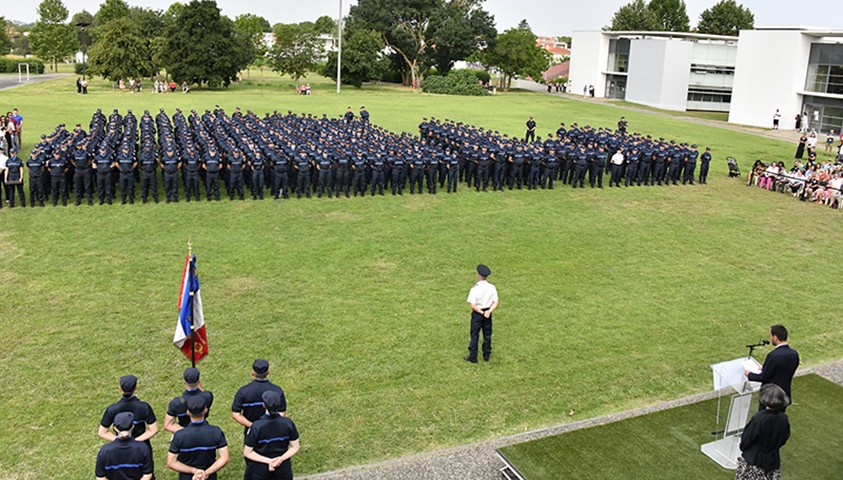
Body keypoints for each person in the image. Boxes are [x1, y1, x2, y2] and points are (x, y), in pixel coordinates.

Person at [232, 359, 288, 480]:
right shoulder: (277, 391)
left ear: (253, 372)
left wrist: (253, 426)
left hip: (252, 433)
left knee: (252, 463)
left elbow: (235, 413)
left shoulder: (243, 391)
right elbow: (282, 412)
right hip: (274, 431)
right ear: (268, 372)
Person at [99, 375, 159, 474]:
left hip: (119, 448)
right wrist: (135, 441)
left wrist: (119, 439)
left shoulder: (112, 409)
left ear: (120, 388)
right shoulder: (144, 407)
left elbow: (102, 432)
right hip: (142, 447)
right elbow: (154, 429)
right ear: (136, 387)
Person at [735, 384, 791, 480]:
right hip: (773, 460)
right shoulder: (784, 418)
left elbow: (747, 438)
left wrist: (744, 448)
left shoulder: (759, 418)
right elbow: (784, 438)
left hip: (754, 460)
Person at [167, 396, 229, 480]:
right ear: (206, 410)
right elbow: (224, 458)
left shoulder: (179, 436)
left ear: (188, 412)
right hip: (209, 477)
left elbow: (171, 462)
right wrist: (206, 473)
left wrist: (194, 471)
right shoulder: (216, 432)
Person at [243, 391, 301, 480]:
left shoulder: (256, 426)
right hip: (283, 468)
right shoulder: (288, 423)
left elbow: (248, 452)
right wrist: (280, 460)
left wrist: (270, 461)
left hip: (262, 469)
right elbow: (295, 447)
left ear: (263, 405)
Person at [745, 324, 799, 411]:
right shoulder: (794, 354)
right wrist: (768, 367)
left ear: (776, 338)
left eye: (771, 336)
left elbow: (763, 377)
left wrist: (749, 374)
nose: (770, 339)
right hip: (784, 395)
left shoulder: (773, 355)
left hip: (770, 396)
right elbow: (784, 369)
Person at [95, 412, 154, 480]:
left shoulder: (105, 451)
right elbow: (147, 475)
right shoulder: (143, 448)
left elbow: (100, 478)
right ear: (132, 427)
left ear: (115, 428)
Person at [465, 264, 499, 363]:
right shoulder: (492, 287)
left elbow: (472, 305)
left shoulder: (475, 288)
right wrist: (488, 311)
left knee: (475, 334)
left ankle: (473, 356)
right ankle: (486, 354)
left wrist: (482, 312)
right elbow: (495, 301)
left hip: (478, 313)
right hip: (488, 312)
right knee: (487, 334)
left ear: (478, 275)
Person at [165, 368, 215, 434]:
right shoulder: (208, 397)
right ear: (199, 380)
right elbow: (203, 394)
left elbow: (168, 425)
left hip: (184, 435)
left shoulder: (176, 403)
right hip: (204, 432)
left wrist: (186, 432)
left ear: (184, 382)